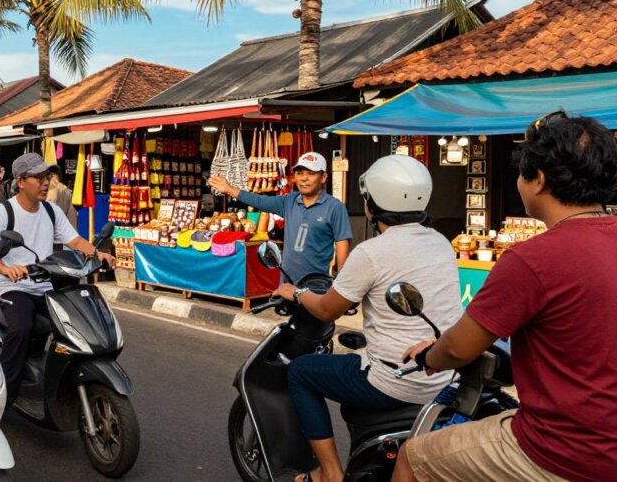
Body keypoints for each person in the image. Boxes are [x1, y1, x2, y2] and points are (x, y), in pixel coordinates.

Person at [393, 112, 617, 482]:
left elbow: (458, 349)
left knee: (412, 458)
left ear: (538, 181)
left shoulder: (532, 259)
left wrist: (431, 355)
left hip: (566, 449)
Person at [271, 155, 462, 482]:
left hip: (394, 381)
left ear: (372, 205)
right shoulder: (440, 243)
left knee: (301, 372)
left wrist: (296, 293)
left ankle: (329, 474)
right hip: (444, 376)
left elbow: (328, 309)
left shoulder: (371, 252)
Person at [0, 153, 115, 404]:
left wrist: (97, 252)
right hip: (15, 288)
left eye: (47, 176)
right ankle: (4, 396)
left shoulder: (51, 211)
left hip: (48, 286)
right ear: (20, 181)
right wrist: (5, 269)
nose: (45, 182)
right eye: (38, 177)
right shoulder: (3, 212)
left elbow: (73, 240)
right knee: (21, 329)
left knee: (75, 327)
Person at [209, 152, 351, 279]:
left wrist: (342, 283)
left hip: (317, 284)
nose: (304, 178)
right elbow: (259, 201)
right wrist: (229, 189)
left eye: (311, 173)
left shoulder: (334, 207)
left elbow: (342, 244)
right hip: (287, 282)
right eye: (300, 173)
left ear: (323, 177)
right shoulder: (289, 201)